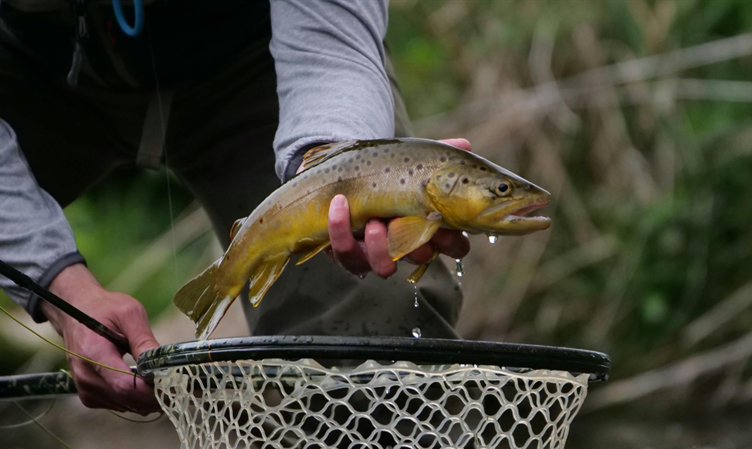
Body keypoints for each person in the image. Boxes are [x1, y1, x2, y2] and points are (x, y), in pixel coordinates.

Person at [0, 1, 469, 415]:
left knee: (377, 329)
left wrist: (341, 166)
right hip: (29, 66)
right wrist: (58, 284)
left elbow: (329, 44)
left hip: (260, 58)